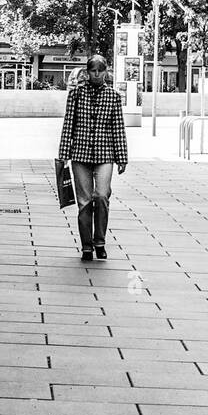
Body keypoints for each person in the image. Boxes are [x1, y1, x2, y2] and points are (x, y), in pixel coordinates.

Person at [57, 54, 128, 262]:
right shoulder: (76, 95)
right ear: (87, 72)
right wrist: (63, 155)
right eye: (92, 70)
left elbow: (118, 129)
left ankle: (100, 242)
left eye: (100, 70)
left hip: (105, 154)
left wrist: (122, 157)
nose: (96, 74)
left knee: (102, 196)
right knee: (85, 201)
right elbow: (68, 125)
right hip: (80, 154)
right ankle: (87, 246)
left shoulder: (113, 96)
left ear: (106, 71)